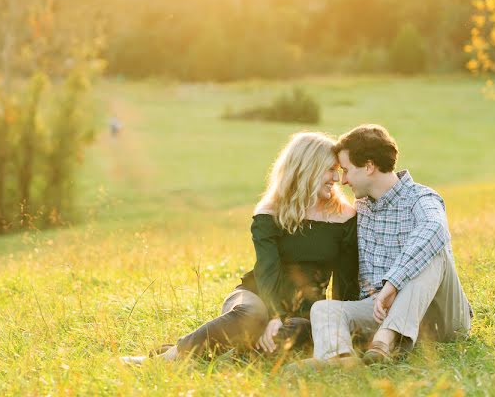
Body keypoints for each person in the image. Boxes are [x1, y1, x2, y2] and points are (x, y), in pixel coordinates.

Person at [120, 132, 359, 365]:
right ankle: (167, 359)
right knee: (252, 316)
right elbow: (267, 270)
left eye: (338, 171)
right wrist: (276, 314)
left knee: (287, 336)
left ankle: (222, 351)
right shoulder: (271, 211)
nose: (337, 179)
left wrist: (343, 324)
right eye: (330, 170)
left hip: (304, 311)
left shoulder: (345, 216)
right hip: (257, 295)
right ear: (309, 169)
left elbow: (345, 282)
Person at [293, 124, 472, 370]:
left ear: (368, 166)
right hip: (382, 310)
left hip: (440, 317)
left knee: (432, 250)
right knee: (324, 309)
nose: (342, 180)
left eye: (346, 170)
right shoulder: (362, 208)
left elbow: (434, 230)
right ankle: (338, 360)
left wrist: (394, 282)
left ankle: (384, 341)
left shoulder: (422, 199)